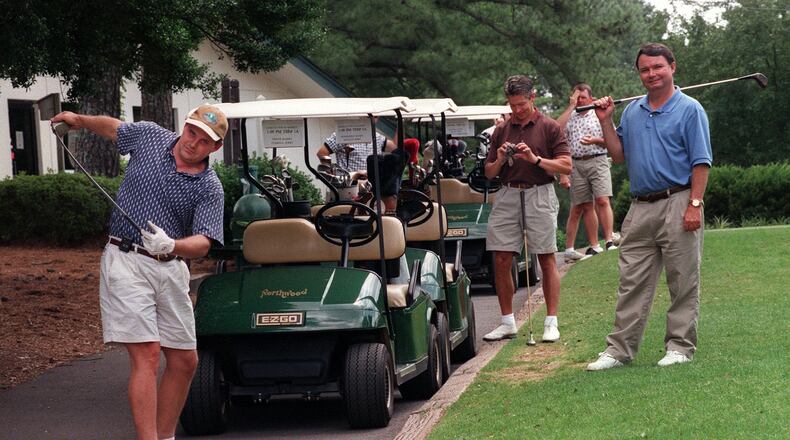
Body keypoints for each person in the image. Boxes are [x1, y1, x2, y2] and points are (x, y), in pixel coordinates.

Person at [51, 105, 227, 439]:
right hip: (126, 258)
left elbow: (204, 243)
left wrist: (172, 245)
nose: (194, 143)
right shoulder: (150, 136)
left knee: (185, 360)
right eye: (192, 133)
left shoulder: (210, 187)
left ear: (215, 148)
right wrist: (79, 121)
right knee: (147, 353)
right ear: (184, 126)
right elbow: (115, 128)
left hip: (171, 266)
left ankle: (164, 436)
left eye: (205, 141)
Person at [586, 43, 712, 371]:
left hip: (679, 199)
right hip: (640, 206)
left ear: (673, 67)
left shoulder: (690, 109)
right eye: (645, 69)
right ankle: (619, 351)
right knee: (631, 282)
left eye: (658, 67)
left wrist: (694, 205)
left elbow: (702, 162)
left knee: (683, 279)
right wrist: (605, 121)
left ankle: (680, 347)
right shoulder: (632, 111)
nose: (651, 74)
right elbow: (617, 154)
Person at [482, 75, 572, 342]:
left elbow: (566, 165)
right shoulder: (501, 130)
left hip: (540, 194)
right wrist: (499, 159)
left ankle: (551, 322)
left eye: (521, 104)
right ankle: (507, 322)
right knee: (500, 258)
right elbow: (488, 173)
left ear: (532, 97)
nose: (517, 111)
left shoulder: (550, 127)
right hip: (508, 193)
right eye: (512, 105)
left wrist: (536, 159)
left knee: (545, 257)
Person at [556, 83, 618, 260]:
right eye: (576, 97)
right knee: (584, 205)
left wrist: (595, 141)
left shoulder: (598, 113)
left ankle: (609, 241)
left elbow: (611, 141)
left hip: (598, 159)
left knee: (602, 199)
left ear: (591, 98)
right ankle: (594, 245)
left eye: (582, 97)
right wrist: (570, 106)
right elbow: (556, 130)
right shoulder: (571, 116)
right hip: (576, 164)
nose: (579, 101)